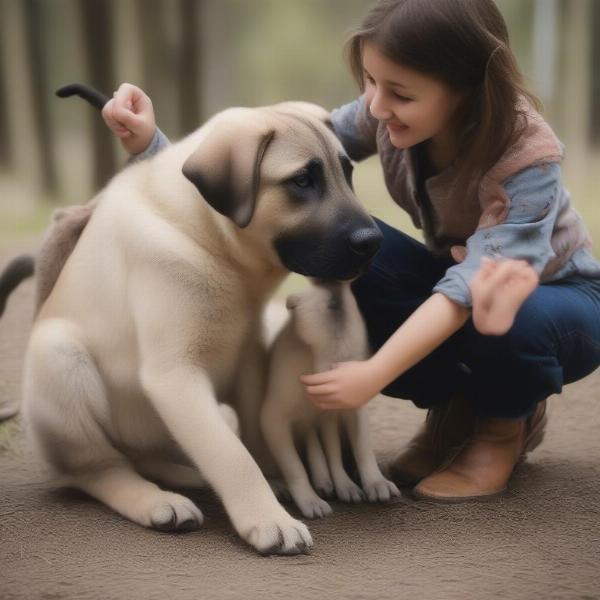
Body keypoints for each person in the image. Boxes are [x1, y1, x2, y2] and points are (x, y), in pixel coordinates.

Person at [101, 0, 600, 502]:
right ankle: (457, 410)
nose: (376, 106)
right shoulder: (384, 113)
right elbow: (279, 157)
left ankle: (500, 432)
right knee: (353, 252)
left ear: (466, 88)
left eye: (399, 93)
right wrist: (153, 146)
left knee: (510, 314)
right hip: (462, 282)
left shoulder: (526, 156)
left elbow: (474, 285)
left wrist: (373, 375)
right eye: (369, 81)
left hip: (557, 297)